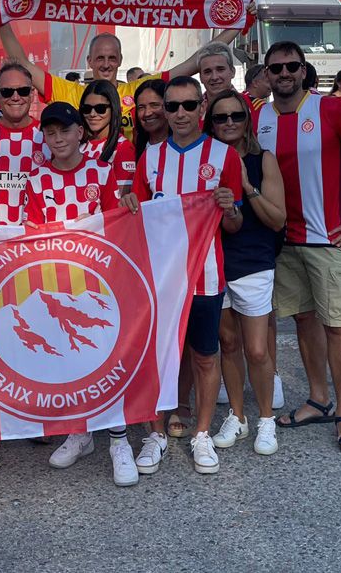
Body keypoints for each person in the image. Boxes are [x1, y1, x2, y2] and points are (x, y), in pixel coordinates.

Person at [254, 42, 341, 456]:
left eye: (292, 66)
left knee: (339, 327)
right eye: (276, 68)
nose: (284, 74)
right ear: (267, 73)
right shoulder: (259, 116)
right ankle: (317, 399)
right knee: (305, 323)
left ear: (304, 69)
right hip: (283, 241)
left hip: (328, 240)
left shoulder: (331, 109)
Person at [122, 76, 244, 476]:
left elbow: (234, 225)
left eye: (188, 106)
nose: (178, 114)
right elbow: (136, 218)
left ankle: (202, 433)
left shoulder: (224, 155)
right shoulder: (151, 157)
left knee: (205, 356)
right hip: (159, 277)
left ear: (201, 108)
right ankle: (155, 433)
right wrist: (127, 203)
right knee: (158, 358)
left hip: (206, 276)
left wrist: (229, 209)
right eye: (170, 107)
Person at [24, 102, 131, 484]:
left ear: (79, 133)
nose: (58, 138)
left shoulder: (102, 172)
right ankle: (79, 431)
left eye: (65, 131)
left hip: (97, 286)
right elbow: (33, 235)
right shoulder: (36, 181)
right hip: (57, 284)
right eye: (50, 133)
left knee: (106, 357)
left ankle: (119, 441)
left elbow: (114, 227)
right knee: (69, 360)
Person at [0, 0, 246, 139]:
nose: (106, 64)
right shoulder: (67, 92)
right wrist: (2, 17)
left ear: (121, 60)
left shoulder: (138, 90)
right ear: (89, 60)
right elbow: (20, 62)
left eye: (112, 58)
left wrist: (237, 23)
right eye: (100, 58)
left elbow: (195, 62)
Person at [201, 90, 286, 456]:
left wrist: (247, 188)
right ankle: (238, 416)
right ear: (212, 123)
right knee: (229, 345)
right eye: (221, 118)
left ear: (246, 120)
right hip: (213, 260)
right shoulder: (202, 160)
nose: (229, 123)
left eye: (236, 116)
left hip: (253, 260)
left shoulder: (261, 159)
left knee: (256, 348)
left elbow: (278, 218)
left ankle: (265, 419)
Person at [0, 63, 44, 227]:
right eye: (7, 92)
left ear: (32, 94)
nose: (15, 97)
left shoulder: (47, 136)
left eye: (23, 91)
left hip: (34, 239)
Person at [78, 80, 135, 193]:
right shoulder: (78, 143)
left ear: (113, 109)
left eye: (100, 109)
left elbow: (121, 201)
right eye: (87, 109)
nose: (92, 114)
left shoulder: (123, 148)